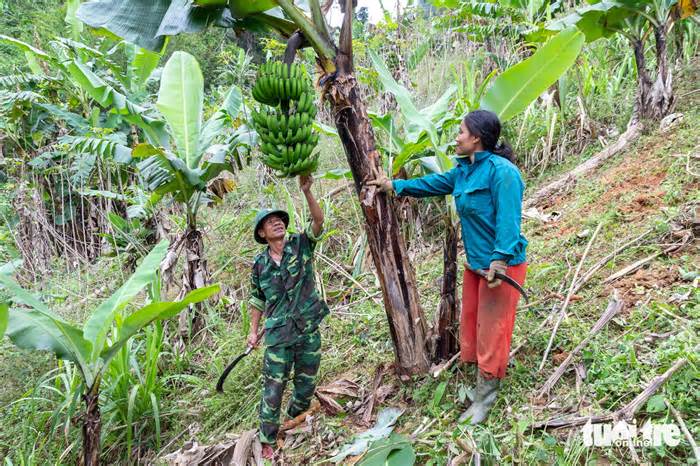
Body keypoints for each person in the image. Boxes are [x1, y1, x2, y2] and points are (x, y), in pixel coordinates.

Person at [368, 109, 528, 425]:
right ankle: (477, 385)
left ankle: (485, 399)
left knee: (492, 332)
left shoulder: (503, 173)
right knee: (472, 326)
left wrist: (499, 261)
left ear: (477, 138)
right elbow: (433, 183)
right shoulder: (464, 171)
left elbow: (509, 221)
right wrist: (394, 186)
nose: (456, 137)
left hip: (500, 268)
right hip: (476, 267)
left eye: (461, 132)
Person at [248, 174, 328, 458]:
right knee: (273, 385)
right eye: (270, 222)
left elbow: (319, 222)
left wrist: (307, 192)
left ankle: (292, 421)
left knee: (306, 382)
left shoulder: (301, 244)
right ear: (262, 234)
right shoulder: (259, 265)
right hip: (279, 333)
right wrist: (253, 331)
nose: (277, 222)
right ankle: (267, 439)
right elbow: (257, 299)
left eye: (280, 219)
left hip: (307, 327)